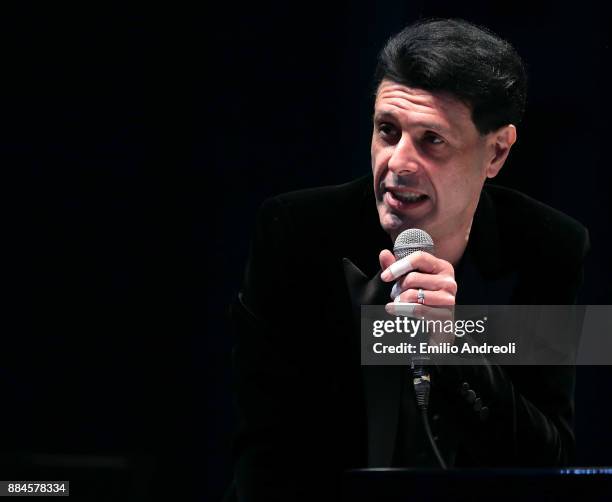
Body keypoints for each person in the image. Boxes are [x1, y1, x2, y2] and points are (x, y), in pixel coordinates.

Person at [228, 18, 589, 502]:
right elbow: (267, 453)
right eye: (387, 130)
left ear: (497, 152)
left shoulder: (548, 246)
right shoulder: (296, 232)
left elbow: (549, 461)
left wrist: (456, 346)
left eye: (432, 140)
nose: (397, 162)